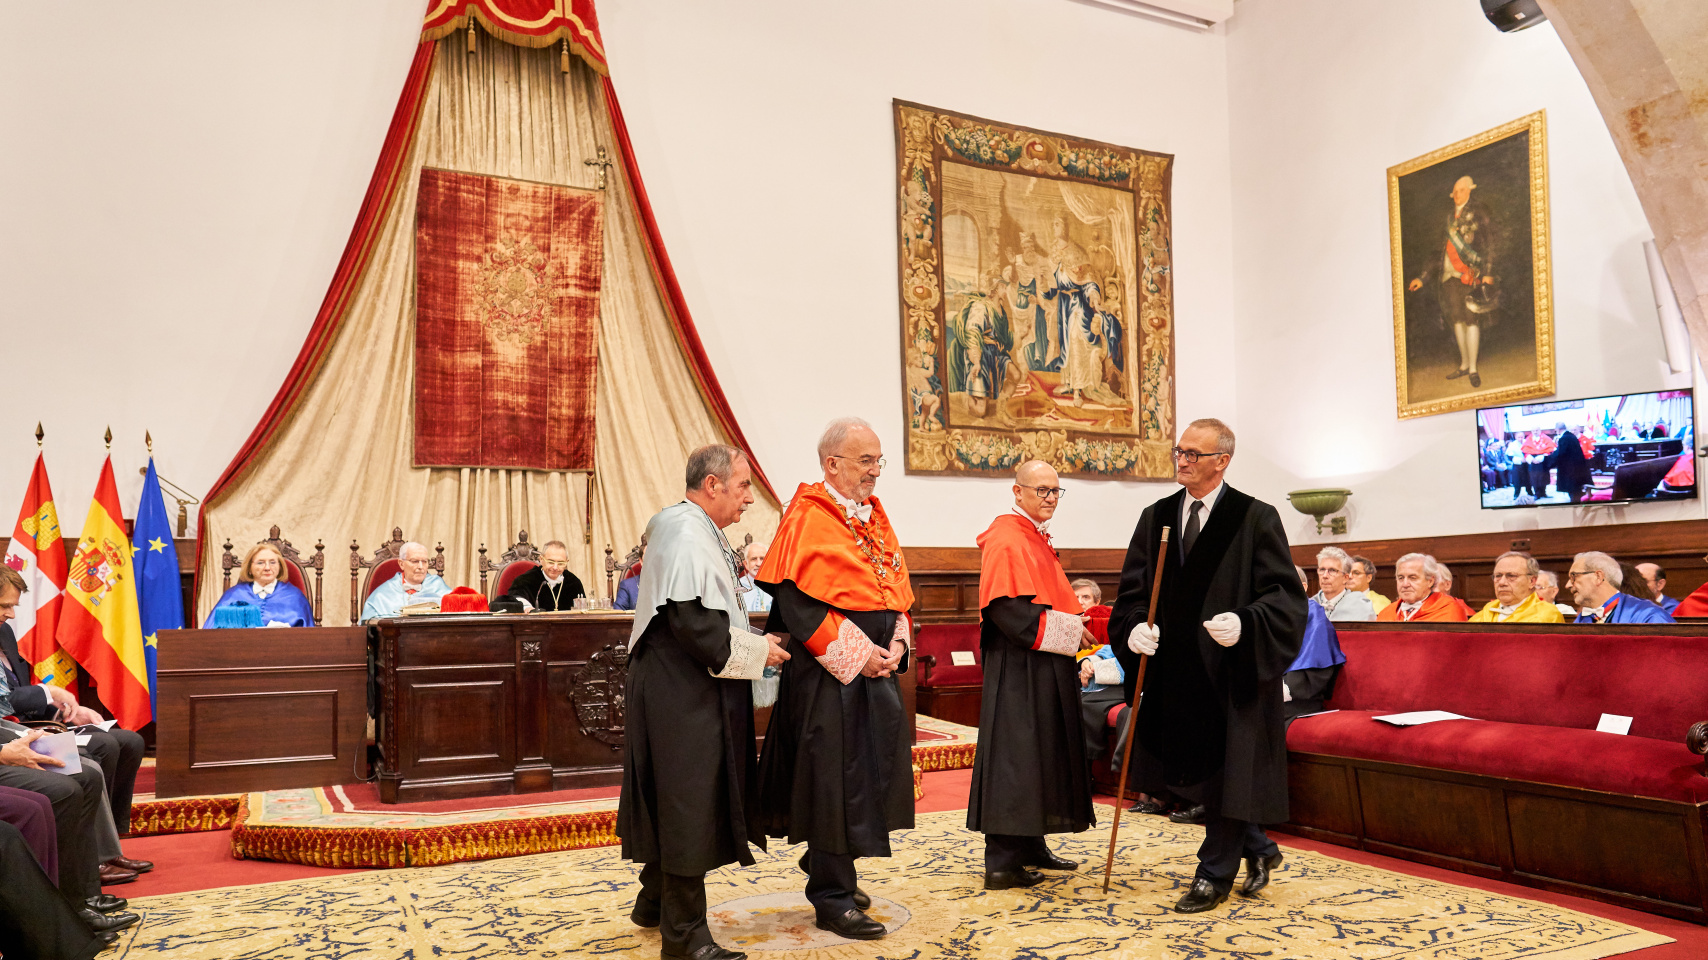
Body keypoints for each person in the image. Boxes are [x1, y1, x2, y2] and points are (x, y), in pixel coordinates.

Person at [1109, 418, 1305, 914]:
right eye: (1180, 451)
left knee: (1227, 774)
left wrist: (1247, 622)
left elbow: (1284, 596)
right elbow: (1132, 593)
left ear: (1223, 460)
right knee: (1188, 776)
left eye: (1195, 453)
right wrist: (1133, 627)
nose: (1183, 459)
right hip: (1174, 673)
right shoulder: (1157, 517)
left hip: (1232, 673)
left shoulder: (1255, 517)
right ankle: (1258, 845)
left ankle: (1212, 874)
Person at [617, 445, 789, 960]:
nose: (749, 500)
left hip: (685, 686)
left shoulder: (691, 528)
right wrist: (762, 652)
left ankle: (653, 902)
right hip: (680, 691)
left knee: (679, 794)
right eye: (742, 487)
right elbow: (695, 624)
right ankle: (686, 938)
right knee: (686, 801)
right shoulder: (687, 529)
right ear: (711, 485)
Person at [754, 417, 914, 942]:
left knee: (863, 779)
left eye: (878, 460)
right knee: (832, 783)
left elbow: (894, 591)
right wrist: (857, 655)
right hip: (828, 681)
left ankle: (831, 867)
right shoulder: (806, 515)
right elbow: (796, 604)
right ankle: (832, 896)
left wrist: (897, 644)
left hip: (874, 676)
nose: (875, 471)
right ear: (833, 464)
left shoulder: (874, 515)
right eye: (865, 461)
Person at [968, 460, 1097, 890]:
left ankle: (1031, 845)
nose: (1049, 497)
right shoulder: (1008, 534)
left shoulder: (1032, 535)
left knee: (1041, 754)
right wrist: (1069, 631)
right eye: (1040, 489)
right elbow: (1008, 611)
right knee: (1017, 758)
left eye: (1056, 491)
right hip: (1020, 666)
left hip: (1041, 663)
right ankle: (1003, 862)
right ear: (1017, 491)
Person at [0, 566, 152, 886]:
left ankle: (110, 846)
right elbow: (7, 701)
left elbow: (17, 691)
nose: (12, 614)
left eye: (14, 606)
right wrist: (50, 692)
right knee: (99, 752)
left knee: (129, 741)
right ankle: (94, 858)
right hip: (13, 732)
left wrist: (64, 709)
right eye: (4, 606)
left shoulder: (4, 631)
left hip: (27, 723)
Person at [1406, 174, 1496, 389]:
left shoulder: (1479, 212)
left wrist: (1488, 272)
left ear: (1470, 191)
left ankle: (1473, 368)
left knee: (1471, 319)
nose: (1457, 195)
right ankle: (1464, 364)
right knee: (1457, 319)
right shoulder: (1447, 219)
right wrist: (1423, 277)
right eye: (1454, 192)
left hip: (1470, 274)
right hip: (1448, 277)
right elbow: (1437, 253)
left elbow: (1490, 243)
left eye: (1461, 190)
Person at [204, 543, 315, 627]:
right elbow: (210, 633)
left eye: (272, 562)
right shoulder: (234, 594)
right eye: (260, 563)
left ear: (280, 566)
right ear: (250, 568)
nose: (267, 568)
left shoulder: (295, 597)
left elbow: (308, 639)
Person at [1286, 566, 1344, 722]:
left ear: (1303, 587)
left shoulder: (1314, 617)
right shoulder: (1268, 615)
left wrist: (1283, 688)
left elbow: (1316, 667)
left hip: (1296, 699)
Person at [1569, 552, 1675, 624]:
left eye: (1574, 576)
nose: (1568, 585)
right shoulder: (1584, 618)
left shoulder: (1648, 615)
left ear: (1598, 577)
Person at [361, 542, 451, 621]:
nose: (421, 567)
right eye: (415, 561)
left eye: (424, 561)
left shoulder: (438, 586)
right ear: (401, 564)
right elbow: (368, 629)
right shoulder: (382, 594)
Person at [1469, 552, 1564, 623]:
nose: (1502, 583)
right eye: (1498, 576)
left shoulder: (1548, 615)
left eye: (1511, 576)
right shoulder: (1486, 612)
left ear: (1532, 581)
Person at [1375, 554, 1466, 622]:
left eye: (1412, 578)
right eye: (1401, 578)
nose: (1405, 584)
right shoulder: (1386, 613)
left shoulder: (1449, 609)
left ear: (1430, 581)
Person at [504, 540, 587, 612]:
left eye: (561, 563)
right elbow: (514, 599)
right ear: (541, 559)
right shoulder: (525, 581)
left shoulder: (574, 583)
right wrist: (526, 607)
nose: (555, 567)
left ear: (566, 562)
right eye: (551, 562)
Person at [1310, 547, 1374, 622]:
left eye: (1332, 570)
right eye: (1322, 570)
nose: (1325, 576)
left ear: (1345, 578)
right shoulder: (1308, 606)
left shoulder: (1360, 607)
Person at [1552, 421, 1593, 504]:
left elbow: (1561, 453)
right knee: (1577, 490)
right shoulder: (1571, 436)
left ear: (1557, 429)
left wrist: (1549, 460)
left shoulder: (1564, 438)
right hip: (1578, 468)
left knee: (1573, 491)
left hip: (1570, 470)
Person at [737, 542, 772, 613]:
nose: (758, 564)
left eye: (762, 558)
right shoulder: (737, 586)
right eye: (753, 559)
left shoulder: (776, 585)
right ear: (746, 564)